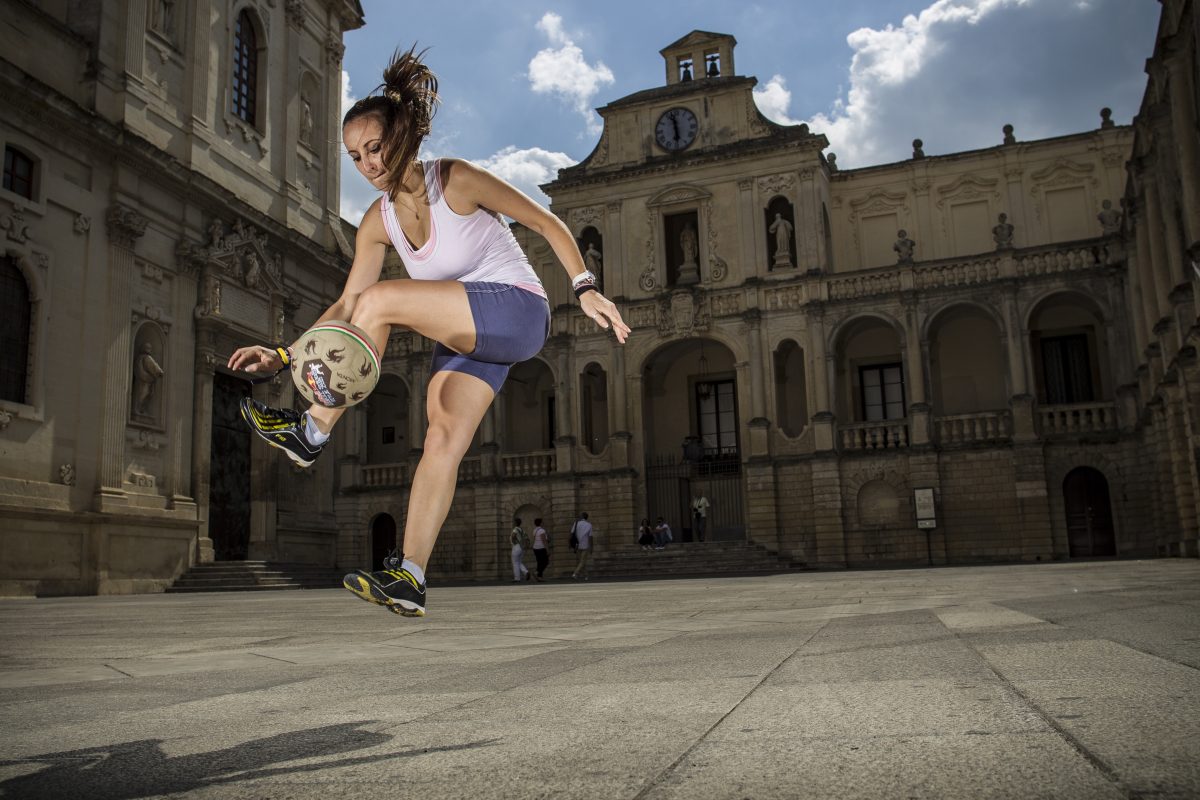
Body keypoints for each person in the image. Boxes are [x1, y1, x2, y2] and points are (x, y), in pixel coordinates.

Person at [228, 47, 630, 617]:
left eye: (375, 147)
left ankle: (312, 431)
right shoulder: (377, 222)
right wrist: (285, 353)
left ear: (403, 136)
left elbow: (545, 220)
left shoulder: (454, 180)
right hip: (470, 334)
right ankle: (410, 578)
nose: (367, 164)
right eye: (355, 156)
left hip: (517, 310)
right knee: (440, 439)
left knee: (383, 300)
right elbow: (346, 304)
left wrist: (585, 287)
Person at [571, 512, 594, 580]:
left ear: (582, 517)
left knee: (581, 561)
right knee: (582, 561)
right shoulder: (589, 525)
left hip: (577, 545)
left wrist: (570, 543)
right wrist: (591, 546)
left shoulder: (576, 523)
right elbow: (590, 537)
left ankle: (586, 575)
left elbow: (571, 533)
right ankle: (575, 573)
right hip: (585, 545)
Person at [510, 517, 531, 582]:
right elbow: (527, 538)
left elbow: (513, 536)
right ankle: (526, 572)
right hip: (521, 548)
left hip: (516, 546)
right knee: (519, 562)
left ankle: (517, 578)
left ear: (515, 523)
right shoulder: (522, 530)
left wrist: (513, 542)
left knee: (515, 563)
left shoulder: (515, 529)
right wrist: (527, 546)